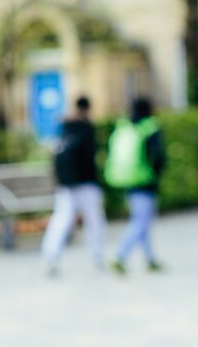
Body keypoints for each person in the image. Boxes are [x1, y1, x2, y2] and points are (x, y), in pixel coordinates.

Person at [42, 95, 106, 276]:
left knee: (61, 220)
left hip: (66, 185)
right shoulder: (87, 129)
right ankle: (97, 257)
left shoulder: (65, 128)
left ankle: (50, 255)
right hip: (86, 183)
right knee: (94, 221)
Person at [106, 97, 167, 276]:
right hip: (145, 180)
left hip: (127, 179)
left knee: (142, 219)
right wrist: (154, 174)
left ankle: (149, 259)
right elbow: (159, 155)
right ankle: (120, 256)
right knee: (141, 221)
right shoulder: (150, 126)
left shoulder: (124, 126)